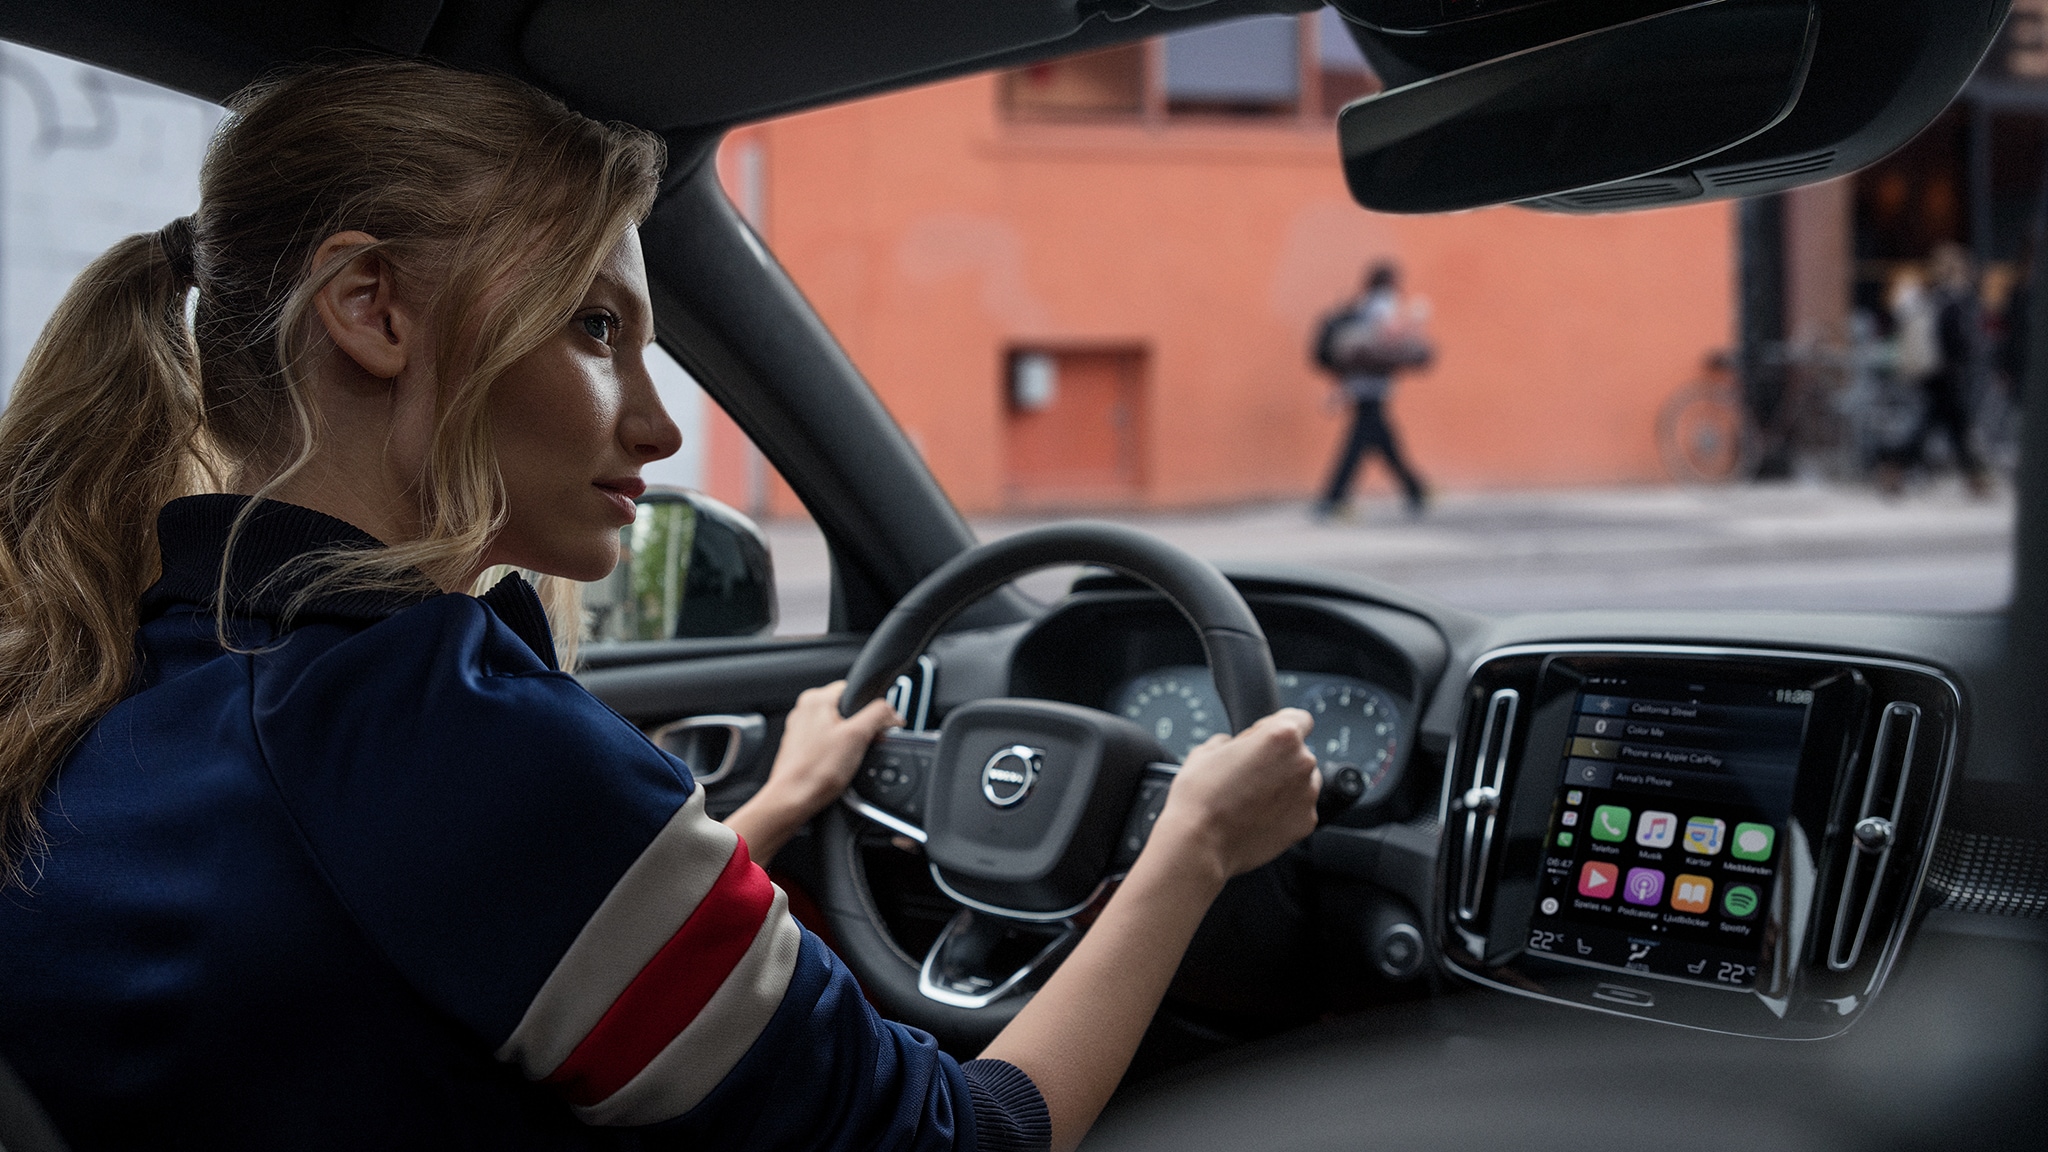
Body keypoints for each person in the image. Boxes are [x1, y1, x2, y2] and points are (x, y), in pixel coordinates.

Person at [0, 60, 1322, 1151]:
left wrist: (768, 815)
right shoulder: (439, 731)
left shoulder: (140, 671)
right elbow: (959, 1138)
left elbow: (434, 938)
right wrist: (1192, 850)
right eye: (594, 330)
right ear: (372, 311)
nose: (658, 423)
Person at [1312, 261, 1431, 520]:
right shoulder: (1382, 302)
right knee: (1362, 443)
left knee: (1382, 441)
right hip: (1372, 386)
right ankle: (1332, 500)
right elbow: (1387, 334)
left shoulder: (1364, 303)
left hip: (1363, 384)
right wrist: (1415, 324)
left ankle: (1415, 490)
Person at [1877, 243, 1990, 496]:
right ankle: (1895, 465)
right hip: (1945, 373)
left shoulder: (1935, 296)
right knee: (1945, 425)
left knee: (1950, 425)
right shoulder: (1953, 298)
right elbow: (1955, 338)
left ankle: (1975, 478)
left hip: (1935, 372)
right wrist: (1967, 353)